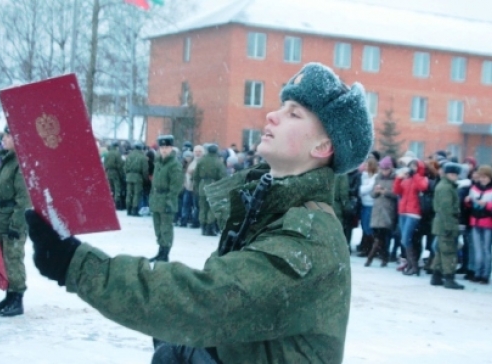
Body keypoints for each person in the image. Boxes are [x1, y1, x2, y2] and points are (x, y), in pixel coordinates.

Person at [24, 62, 373, 363]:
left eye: (294, 113)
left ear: (323, 146)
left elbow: (208, 300)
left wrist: (77, 264)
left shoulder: (309, 236)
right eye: (282, 106)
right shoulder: (271, 209)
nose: (272, 114)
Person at [0, 126, 31, 317]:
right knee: (5, 258)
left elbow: (24, 199)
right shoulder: (7, 160)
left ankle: (17, 299)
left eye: (8, 136)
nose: (4, 139)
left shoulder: (21, 163)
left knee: (14, 259)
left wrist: (17, 224)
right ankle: (9, 296)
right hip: (3, 216)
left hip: (14, 219)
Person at [465, 165, 492, 284]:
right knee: (477, 249)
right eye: (481, 177)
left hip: (489, 221)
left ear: (490, 177)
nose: (482, 179)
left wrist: (487, 205)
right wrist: (468, 202)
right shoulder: (474, 188)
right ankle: (477, 272)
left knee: (486, 249)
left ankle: (486, 274)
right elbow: (471, 206)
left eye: (484, 177)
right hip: (475, 220)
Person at [149, 135, 184, 262]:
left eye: (167, 147)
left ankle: (165, 254)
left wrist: (170, 201)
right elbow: (154, 183)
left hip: (166, 200)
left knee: (166, 228)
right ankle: (160, 251)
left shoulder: (174, 165)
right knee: (158, 227)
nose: (164, 150)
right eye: (162, 147)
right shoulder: (158, 162)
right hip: (156, 199)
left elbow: (176, 186)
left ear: (171, 148)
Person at [430, 162, 465, 289]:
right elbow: (446, 209)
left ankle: (436, 276)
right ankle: (449, 278)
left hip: (441, 223)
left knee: (441, 251)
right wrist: (450, 227)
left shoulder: (445, 185)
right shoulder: (447, 188)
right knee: (449, 251)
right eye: (453, 174)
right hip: (446, 224)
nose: (455, 176)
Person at [365, 156, 397, 267]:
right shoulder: (378, 178)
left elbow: (397, 194)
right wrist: (376, 191)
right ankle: (385, 257)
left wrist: (385, 192)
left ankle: (370, 258)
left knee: (381, 236)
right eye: (382, 169)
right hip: (377, 211)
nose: (384, 171)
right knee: (378, 237)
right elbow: (372, 194)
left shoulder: (395, 178)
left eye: (386, 169)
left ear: (390, 168)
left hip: (388, 211)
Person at [193, 144, 227, 236]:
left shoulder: (201, 161)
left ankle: (203, 227)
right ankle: (209, 227)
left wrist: (196, 186)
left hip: (202, 185)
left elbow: (195, 176)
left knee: (203, 207)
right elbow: (223, 176)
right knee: (212, 208)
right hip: (214, 185)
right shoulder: (218, 162)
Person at [124, 142, 149, 216]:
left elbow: (125, 167)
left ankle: (128, 209)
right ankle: (134, 210)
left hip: (129, 176)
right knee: (136, 194)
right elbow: (145, 170)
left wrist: (127, 175)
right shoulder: (142, 157)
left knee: (129, 193)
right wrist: (145, 179)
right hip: (138, 177)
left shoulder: (129, 156)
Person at [103, 141, 125, 210]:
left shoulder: (107, 153)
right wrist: (122, 174)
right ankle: (117, 204)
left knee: (111, 188)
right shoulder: (117, 153)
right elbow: (120, 165)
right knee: (117, 188)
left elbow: (105, 163)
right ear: (116, 147)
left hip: (109, 172)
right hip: (115, 172)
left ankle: (110, 203)